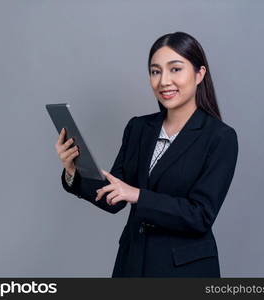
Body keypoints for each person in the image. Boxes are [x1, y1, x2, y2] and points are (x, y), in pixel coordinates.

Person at [55, 31, 238, 277]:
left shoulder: (219, 137)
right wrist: (72, 172)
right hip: (132, 264)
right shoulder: (139, 128)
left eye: (175, 69)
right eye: (155, 71)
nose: (163, 81)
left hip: (183, 271)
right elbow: (115, 196)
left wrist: (138, 195)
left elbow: (200, 216)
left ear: (199, 74)